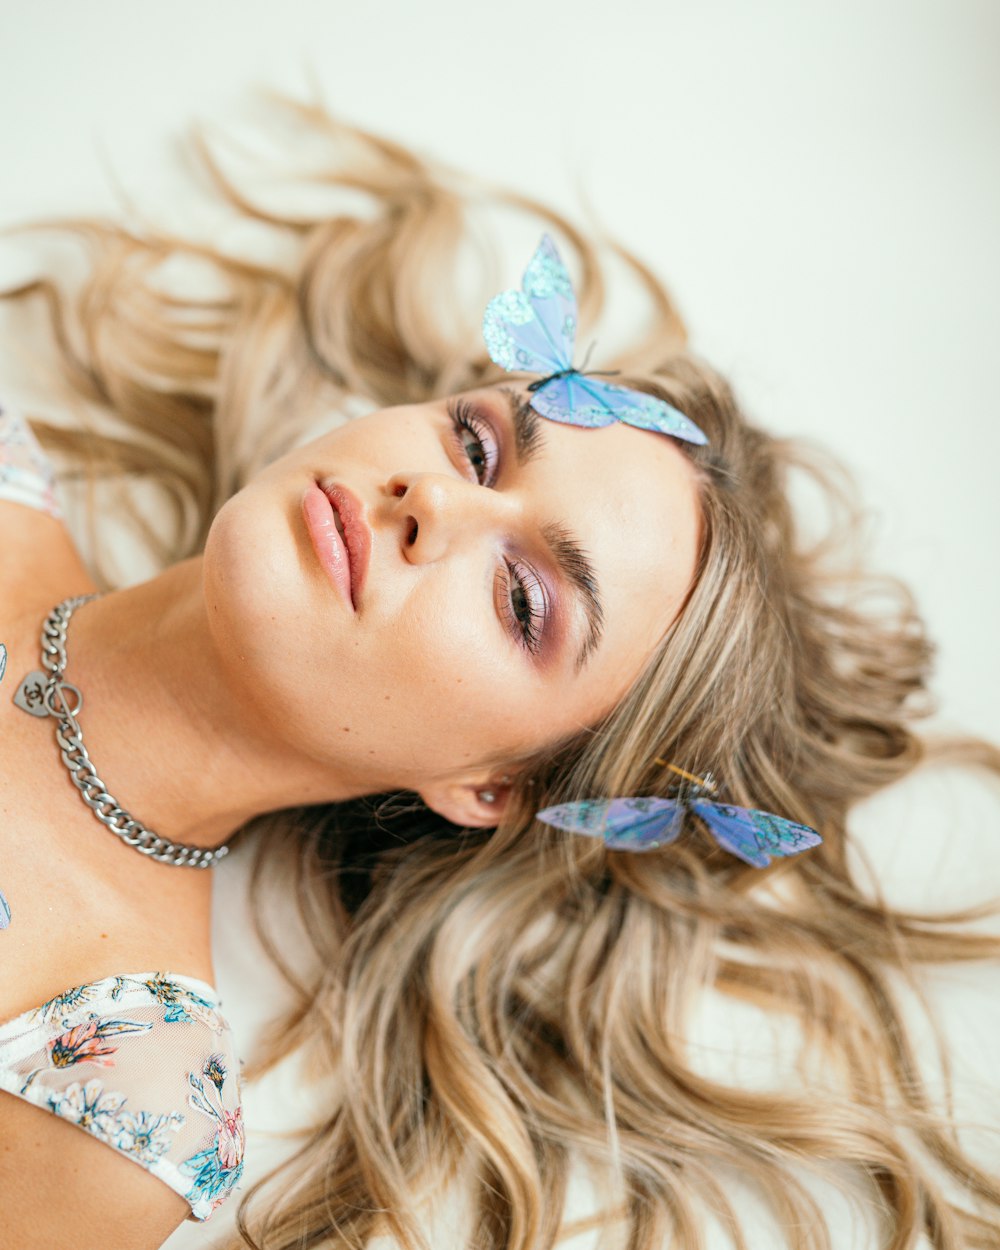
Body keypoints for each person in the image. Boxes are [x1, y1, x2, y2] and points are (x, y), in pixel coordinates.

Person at [1, 100, 998, 1250]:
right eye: (477, 444)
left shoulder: (118, 1086)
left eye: (524, 599)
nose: (438, 502)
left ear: (492, 787)